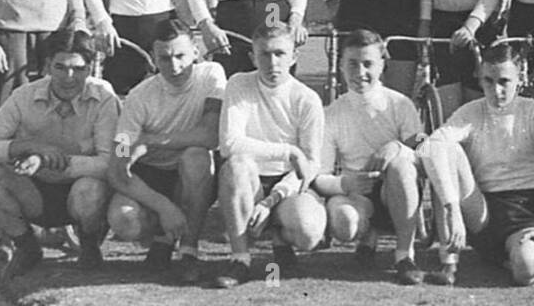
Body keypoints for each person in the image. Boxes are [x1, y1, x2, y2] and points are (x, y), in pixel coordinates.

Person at [417, 44, 534, 287]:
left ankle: (516, 256)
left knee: (527, 271)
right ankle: (449, 263)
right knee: (444, 147)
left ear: (520, 78)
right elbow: (430, 147)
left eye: (504, 81)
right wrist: (452, 207)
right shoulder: (470, 112)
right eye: (488, 81)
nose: (496, 90)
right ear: (480, 78)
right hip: (480, 211)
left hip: (523, 212)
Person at [0, 30, 117, 278]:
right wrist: (26, 147)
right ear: (47, 66)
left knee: (92, 188)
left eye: (78, 69)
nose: (69, 77)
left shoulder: (104, 97)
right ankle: (27, 247)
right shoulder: (24, 95)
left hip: (81, 193)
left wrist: (47, 161)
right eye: (60, 67)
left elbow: (109, 162)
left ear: (90, 68)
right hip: (34, 192)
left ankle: (89, 245)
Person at [106, 20, 225, 285]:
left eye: (181, 55)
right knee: (123, 219)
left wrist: (150, 141)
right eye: (165, 58)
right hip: (153, 174)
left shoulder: (212, 75)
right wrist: (164, 207)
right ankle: (162, 237)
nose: (174, 66)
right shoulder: (138, 97)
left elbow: (209, 135)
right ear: (153, 59)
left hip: (193, 171)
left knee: (196, 156)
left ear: (196, 51)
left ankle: (188, 251)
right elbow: (117, 167)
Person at [213, 22, 326, 288]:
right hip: (249, 180)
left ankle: (280, 238)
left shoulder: (307, 98)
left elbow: (309, 165)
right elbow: (229, 144)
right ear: (253, 57)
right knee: (237, 165)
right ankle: (240, 259)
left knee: (308, 233)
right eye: (264, 54)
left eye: (280, 54)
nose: (272, 62)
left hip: (287, 184)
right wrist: (287, 150)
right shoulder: (238, 84)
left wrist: (271, 201)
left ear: (294, 57)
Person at [312, 30, 426, 285]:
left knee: (400, 166)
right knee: (344, 223)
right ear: (341, 65)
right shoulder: (331, 113)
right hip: (358, 194)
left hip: (395, 189)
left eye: (368, 64)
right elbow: (320, 175)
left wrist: (397, 146)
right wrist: (346, 184)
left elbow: (421, 148)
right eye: (352, 64)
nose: (360, 72)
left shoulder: (400, 104)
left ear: (382, 65)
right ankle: (368, 234)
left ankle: (404, 255)